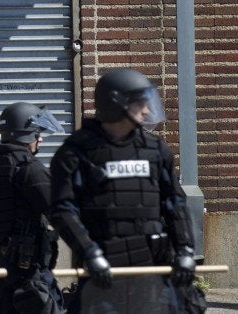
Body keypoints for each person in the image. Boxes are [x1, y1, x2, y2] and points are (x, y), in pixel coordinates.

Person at [49, 68, 197, 312]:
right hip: (103, 273)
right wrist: (89, 253)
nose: (147, 110)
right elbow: (63, 210)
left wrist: (185, 250)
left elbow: (174, 203)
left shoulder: (155, 149)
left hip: (151, 270)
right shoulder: (75, 152)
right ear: (117, 103)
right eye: (141, 102)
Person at [0, 102, 66, 314]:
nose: (40, 138)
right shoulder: (27, 167)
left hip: (2, 269)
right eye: (37, 133)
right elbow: (61, 212)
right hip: (29, 274)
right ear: (26, 133)